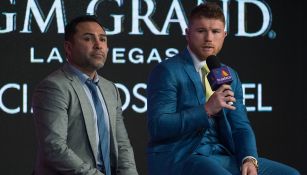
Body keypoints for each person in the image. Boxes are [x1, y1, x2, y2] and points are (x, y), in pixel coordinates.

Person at [146, 2, 300, 175]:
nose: (209, 38)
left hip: (222, 156)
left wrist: (249, 158)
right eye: (201, 31)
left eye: (215, 32)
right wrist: (206, 110)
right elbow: (158, 126)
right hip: (183, 156)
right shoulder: (168, 71)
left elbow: (240, 125)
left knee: (289, 174)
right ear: (187, 34)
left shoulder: (229, 74)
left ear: (224, 35)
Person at [32, 15, 138, 175]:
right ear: (68, 47)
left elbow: (121, 144)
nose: (98, 45)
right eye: (88, 39)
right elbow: (54, 148)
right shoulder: (54, 87)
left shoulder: (110, 89)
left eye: (103, 39)